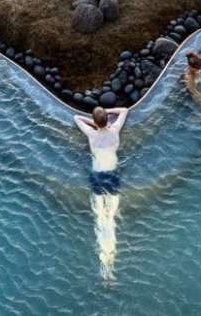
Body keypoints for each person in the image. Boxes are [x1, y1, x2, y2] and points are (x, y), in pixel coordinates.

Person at [74, 106, 129, 281]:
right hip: (112, 176)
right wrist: (107, 112)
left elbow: (76, 118)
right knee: (110, 219)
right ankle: (110, 266)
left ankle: (103, 266)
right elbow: (125, 111)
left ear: (96, 122)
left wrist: (94, 123)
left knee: (100, 218)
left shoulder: (92, 134)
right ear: (107, 119)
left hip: (97, 177)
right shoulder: (115, 130)